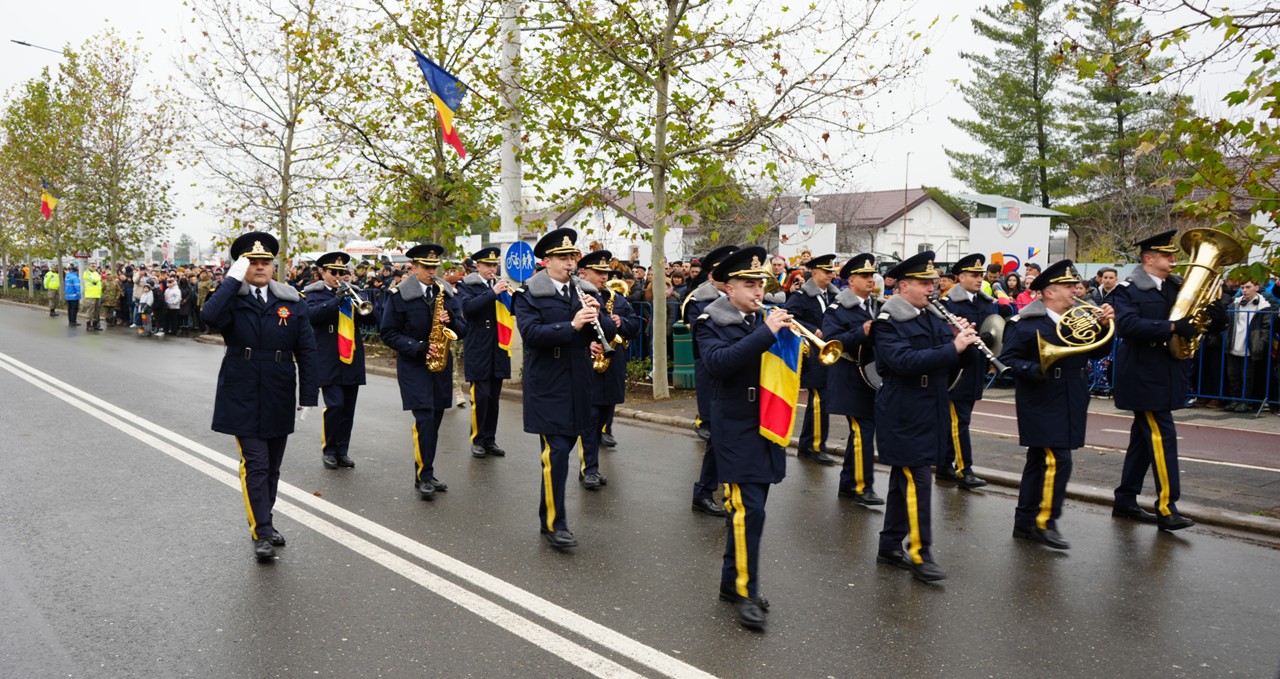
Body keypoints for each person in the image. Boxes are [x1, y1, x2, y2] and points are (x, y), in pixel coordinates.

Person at [202, 232, 318, 562]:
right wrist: (231, 280)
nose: (260, 267)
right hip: (241, 389)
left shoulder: (291, 301)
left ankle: (265, 519)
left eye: (265, 261)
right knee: (256, 464)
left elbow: (307, 350)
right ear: (242, 266)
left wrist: (308, 394)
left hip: (279, 389)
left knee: (273, 468)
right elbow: (209, 318)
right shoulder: (230, 297)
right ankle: (262, 532)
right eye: (252, 262)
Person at [694, 245, 789, 630]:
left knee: (751, 510)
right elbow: (720, 364)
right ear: (728, 287)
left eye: (760, 284)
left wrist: (792, 340)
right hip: (734, 425)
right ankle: (746, 591)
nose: (758, 291)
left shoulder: (760, 319)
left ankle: (731, 583)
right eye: (749, 284)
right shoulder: (710, 321)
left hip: (766, 423)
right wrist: (768, 333)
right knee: (750, 510)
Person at [1111, 229, 1225, 531]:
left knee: (1142, 441)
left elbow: (1196, 323)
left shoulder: (1176, 285)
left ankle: (1125, 500)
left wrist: (1216, 319)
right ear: (1148, 259)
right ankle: (1166, 507)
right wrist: (1173, 327)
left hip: (1168, 371)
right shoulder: (1128, 289)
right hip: (1142, 374)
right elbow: (1128, 325)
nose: (1173, 259)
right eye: (1166, 255)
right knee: (1163, 438)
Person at [873, 251, 977, 582]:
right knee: (918, 479)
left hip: (931, 406)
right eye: (924, 283)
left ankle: (889, 545)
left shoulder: (932, 316)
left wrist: (968, 343)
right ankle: (921, 553)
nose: (932, 288)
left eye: (933, 282)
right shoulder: (887, 321)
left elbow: (950, 361)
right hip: (903, 410)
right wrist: (952, 347)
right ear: (904, 286)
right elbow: (903, 362)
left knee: (903, 480)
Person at [998, 260, 1114, 549]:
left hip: (1072, 392)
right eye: (1068, 286)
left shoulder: (1080, 316)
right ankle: (1044, 521)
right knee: (1058, 459)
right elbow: (1007, 360)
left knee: (1039, 460)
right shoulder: (1025, 323)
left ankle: (1024, 522)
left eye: (1075, 285)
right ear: (1049, 292)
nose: (1075, 290)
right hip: (1040, 397)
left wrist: (1103, 328)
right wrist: (1033, 369)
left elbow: (1097, 352)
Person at [514, 228, 617, 549]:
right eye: (562, 258)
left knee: (566, 449)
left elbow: (609, 332)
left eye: (572, 257)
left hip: (579, 381)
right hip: (548, 382)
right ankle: (554, 523)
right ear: (547, 261)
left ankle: (550, 514)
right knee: (556, 453)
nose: (570, 263)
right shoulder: (529, 293)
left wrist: (599, 315)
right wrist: (572, 325)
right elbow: (531, 334)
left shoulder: (584, 291)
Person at [379, 243, 468, 502]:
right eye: (426, 267)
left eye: (434, 267)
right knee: (425, 420)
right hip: (414, 365)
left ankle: (426, 470)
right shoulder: (399, 295)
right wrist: (418, 347)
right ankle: (424, 476)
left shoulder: (446, 293)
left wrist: (452, 321)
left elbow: (463, 329)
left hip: (440, 366)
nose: (431, 272)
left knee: (435, 421)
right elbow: (388, 333)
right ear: (414, 268)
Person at [937, 254, 1006, 489]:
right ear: (961, 277)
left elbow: (994, 331)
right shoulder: (948, 303)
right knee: (960, 421)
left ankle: (944, 465)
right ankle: (963, 469)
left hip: (976, 368)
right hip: (956, 371)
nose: (979, 279)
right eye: (974, 275)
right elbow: (943, 337)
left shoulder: (986, 302)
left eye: (981, 275)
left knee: (956, 421)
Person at [681, 244, 739, 517]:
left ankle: (709, 493)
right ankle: (710, 493)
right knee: (720, 437)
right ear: (713, 274)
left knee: (724, 439)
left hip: (739, 376)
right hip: (712, 372)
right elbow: (704, 341)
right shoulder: (698, 301)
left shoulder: (742, 299)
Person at [822, 253, 883, 505]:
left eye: (871, 275)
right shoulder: (837, 309)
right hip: (849, 376)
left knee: (861, 431)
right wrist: (861, 331)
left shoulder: (877, 305)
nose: (870, 279)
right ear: (851, 281)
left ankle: (848, 483)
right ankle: (862, 486)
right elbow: (830, 341)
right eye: (864, 276)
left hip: (871, 376)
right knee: (863, 430)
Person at [576, 250, 641, 484]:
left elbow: (635, 326)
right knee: (589, 419)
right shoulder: (576, 297)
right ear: (584, 273)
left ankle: (592, 466)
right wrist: (585, 344)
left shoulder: (617, 298)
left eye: (605, 272)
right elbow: (568, 327)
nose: (604, 277)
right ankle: (589, 469)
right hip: (587, 365)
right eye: (598, 272)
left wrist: (621, 321)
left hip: (612, 366)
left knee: (603, 417)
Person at [304, 251, 371, 470]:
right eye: (333, 272)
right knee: (335, 405)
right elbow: (312, 316)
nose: (338, 276)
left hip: (351, 356)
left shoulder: (355, 292)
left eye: (342, 272)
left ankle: (342, 451)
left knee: (348, 408)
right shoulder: (314, 293)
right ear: (322, 272)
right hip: (328, 356)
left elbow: (373, 319)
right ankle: (330, 450)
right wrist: (335, 300)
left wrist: (363, 304)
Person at [456, 246, 513, 459]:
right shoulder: (467, 285)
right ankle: (477, 440)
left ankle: (490, 440)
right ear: (478, 266)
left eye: (494, 265)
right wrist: (492, 293)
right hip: (479, 347)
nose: (492, 269)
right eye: (488, 265)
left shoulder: (499, 285)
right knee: (481, 397)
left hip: (498, 347)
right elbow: (468, 309)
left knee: (494, 398)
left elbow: (513, 309)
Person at [784, 253, 839, 465]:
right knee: (819, 400)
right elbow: (789, 316)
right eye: (826, 271)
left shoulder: (833, 295)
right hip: (813, 354)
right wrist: (811, 329)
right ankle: (816, 446)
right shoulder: (802, 296)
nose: (831, 275)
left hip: (828, 353)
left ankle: (807, 445)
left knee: (820, 400)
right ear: (814, 273)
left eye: (832, 271)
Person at [1224, 280, 1272, 413]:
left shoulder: (1263, 305)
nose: (1244, 290)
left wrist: (1261, 342)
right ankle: (1235, 399)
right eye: (1242, 287)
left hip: (1251, 344)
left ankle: (1245, 401)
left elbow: (1267, 327)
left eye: (1248, 287)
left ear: (1256, 287)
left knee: (1247, 376)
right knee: (1232, 375)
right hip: (1234, 342)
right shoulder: (1235, 303)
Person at [82, 264, 103, 331]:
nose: (94, 267)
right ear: (89, 266)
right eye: (92, 266)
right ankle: (88, 325)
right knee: (90, 310)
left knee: (97, 310)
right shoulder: (86, 273)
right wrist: (99, 278)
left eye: (94, 266)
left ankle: (95, 324)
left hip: (97, 294)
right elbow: (94, 280)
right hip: (90, 294)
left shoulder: (96, 273)